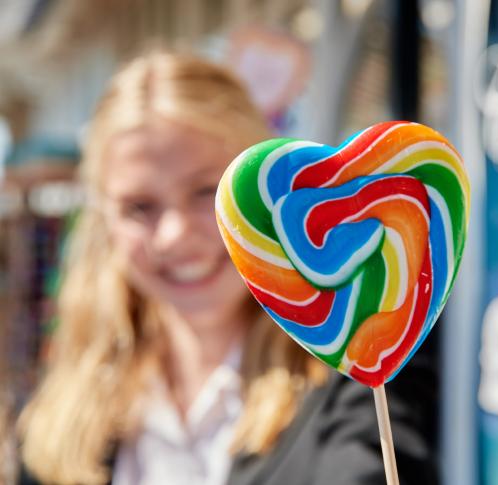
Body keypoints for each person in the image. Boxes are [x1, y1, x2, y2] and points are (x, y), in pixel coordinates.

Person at [17, 51, 439, 485]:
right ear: (105, 220)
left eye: (206, 191)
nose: (174, 235)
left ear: (265, 193)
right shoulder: (67, 407)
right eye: (139, 207)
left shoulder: (358, 357)